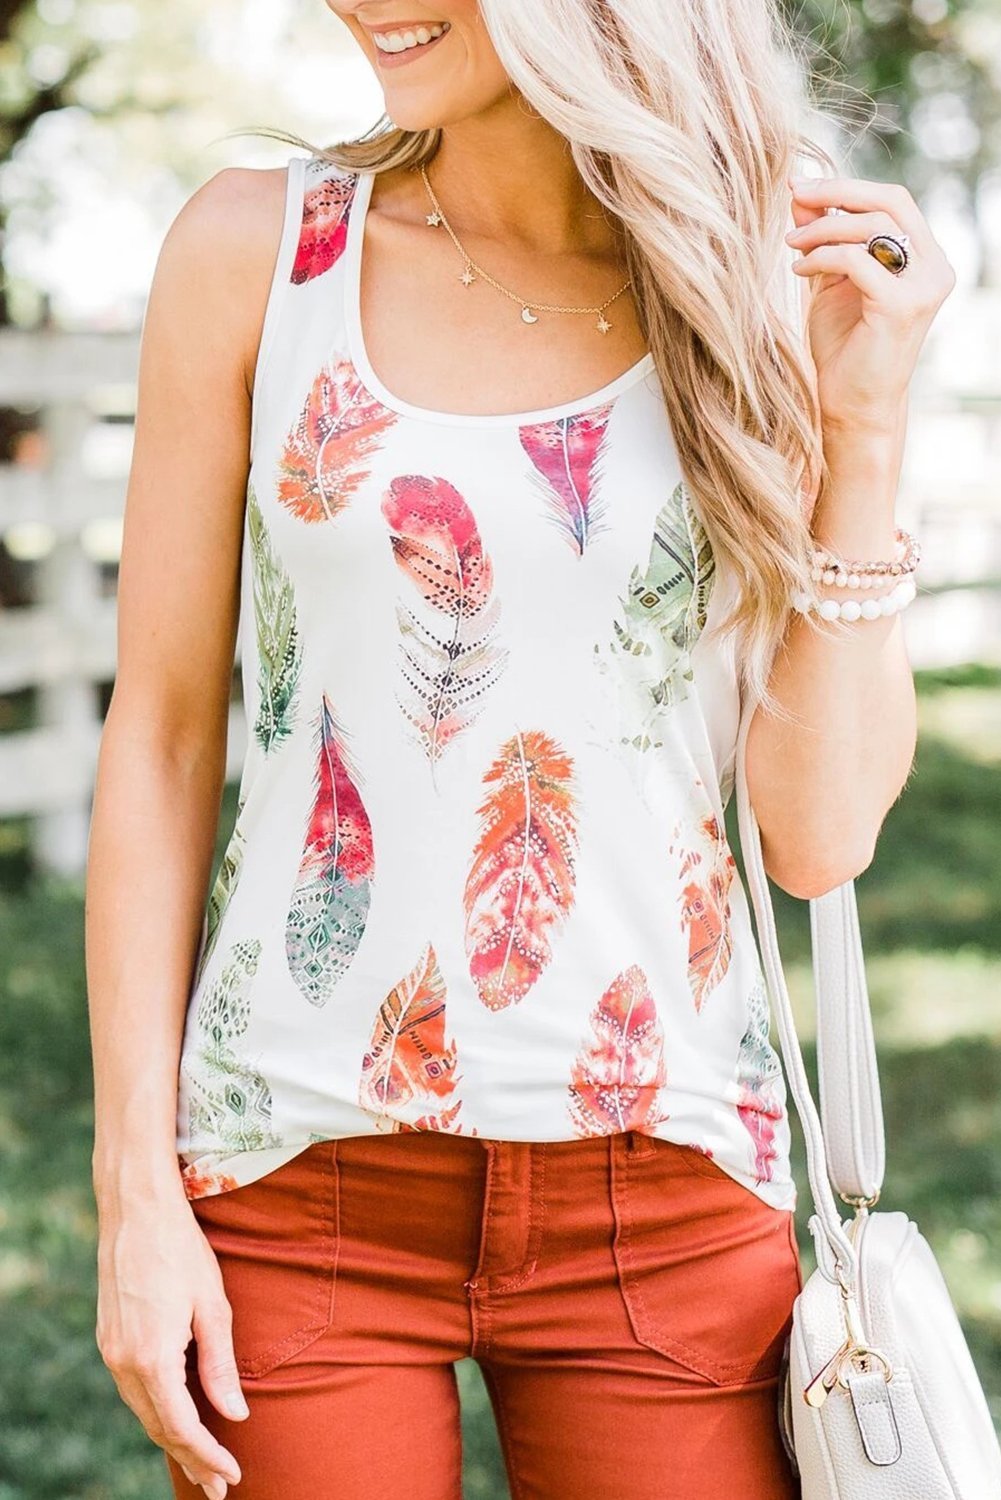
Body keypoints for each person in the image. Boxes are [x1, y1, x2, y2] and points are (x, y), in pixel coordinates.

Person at [84, 3, 955, 1498]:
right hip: (299, 1176)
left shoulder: (760, 285)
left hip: (665, 1181)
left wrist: (862, 432)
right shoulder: (258, 250)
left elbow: (816, 838)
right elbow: (160, 738)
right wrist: (133, 1196)